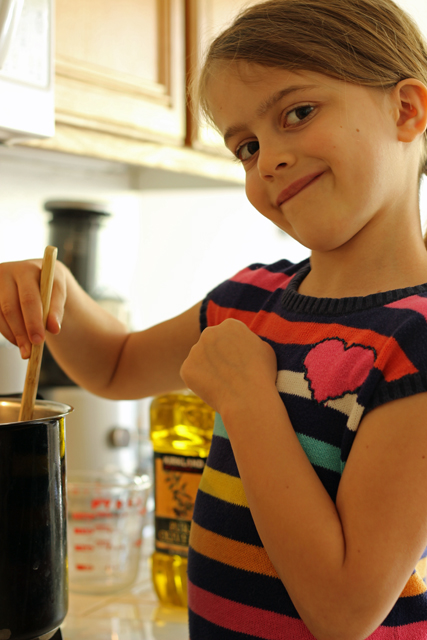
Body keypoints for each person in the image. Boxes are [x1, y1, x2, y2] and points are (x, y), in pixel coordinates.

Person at [1, 0, 427, 637]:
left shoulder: (414, 338)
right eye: (247, 147)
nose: (270, 160)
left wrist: (248, 397)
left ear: (406, 110)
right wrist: (54, 285)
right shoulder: (250, 300)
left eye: (298, 113)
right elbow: (114, 368)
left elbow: (343, 610)